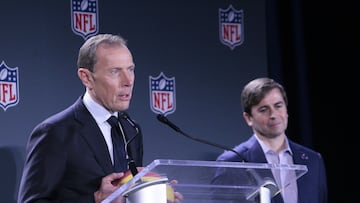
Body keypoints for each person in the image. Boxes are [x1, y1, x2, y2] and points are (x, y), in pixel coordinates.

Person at [17, 34, 182, 203]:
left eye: (130, 69)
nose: (128, 81)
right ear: (86, 77)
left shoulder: (131, 129)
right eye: (115, 71)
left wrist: (153, 197)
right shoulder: (56, 132)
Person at [212, 77, 327, 203]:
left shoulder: (313, 160)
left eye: (278, 106)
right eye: (263, 109)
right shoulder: (232, 163)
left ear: (286, 110)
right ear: (248, 118)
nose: (273, 115)